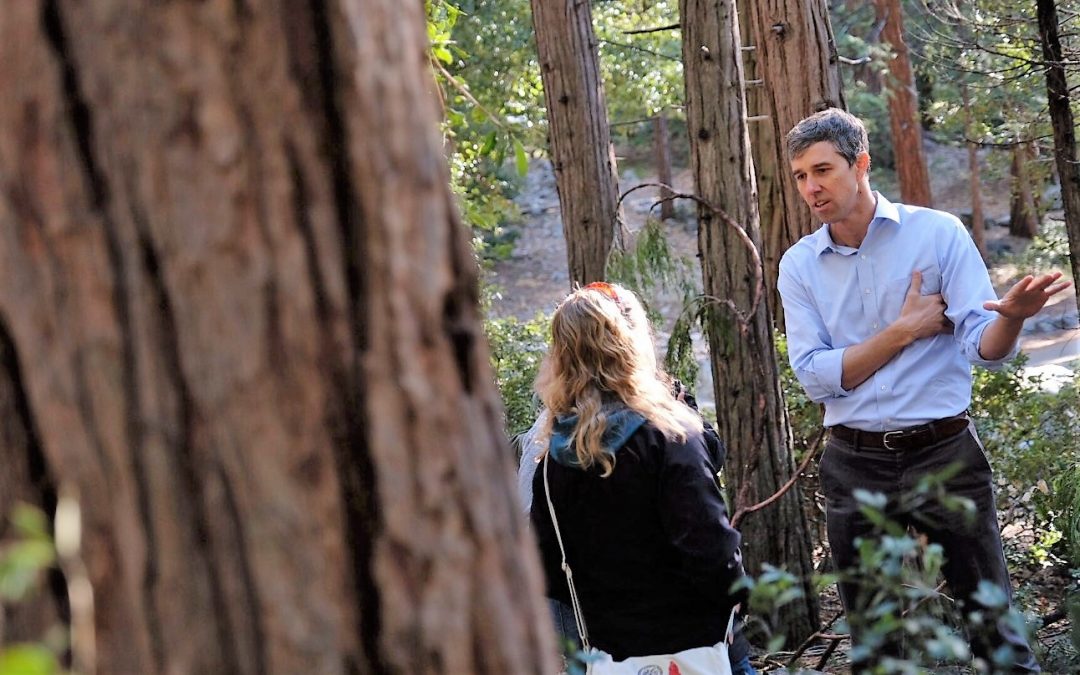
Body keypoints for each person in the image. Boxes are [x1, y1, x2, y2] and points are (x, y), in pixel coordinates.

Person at [778, 108, 1071, 672]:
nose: (811, 187)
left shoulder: (937, 233)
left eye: (823, 170)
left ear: (860, 164)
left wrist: (1012, 318)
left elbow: (984, 344)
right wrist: (904, 331)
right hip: (853, 459)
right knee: (875, 647)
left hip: (944, 451)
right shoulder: (800, 266)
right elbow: (815, 376)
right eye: (800, 175)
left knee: (996, 635)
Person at [527, 281, 756, 675]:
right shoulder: (670, 436)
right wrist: (734, 601)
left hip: (608, 653)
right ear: (631, 344)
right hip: (695, 646)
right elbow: (710, 548)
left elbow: (548, 567)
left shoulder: (553, 458)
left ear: (560, 357)